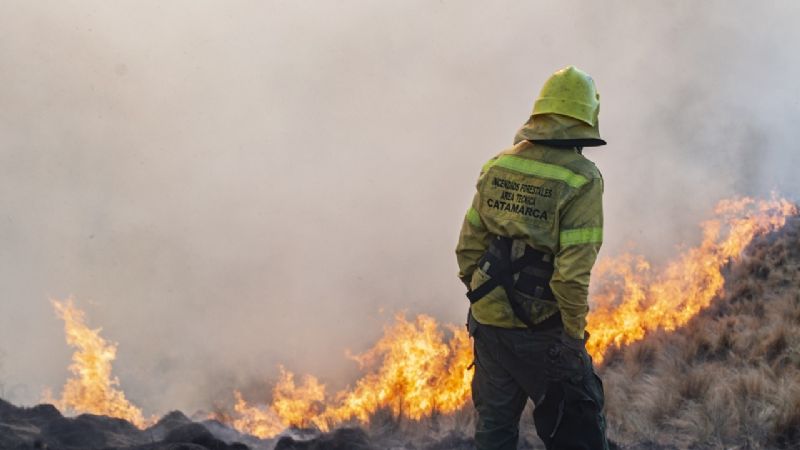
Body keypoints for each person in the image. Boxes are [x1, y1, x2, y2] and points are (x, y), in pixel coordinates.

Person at [455, 66, 609, 450]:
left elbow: (468, 247)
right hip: (542, 331)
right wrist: (573, 339)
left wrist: (482, 298)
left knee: (494, 432)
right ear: (586, 119)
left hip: (488, 322)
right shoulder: (583, 179)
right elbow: (571, 276)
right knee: (578, 431)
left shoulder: (500, 164)